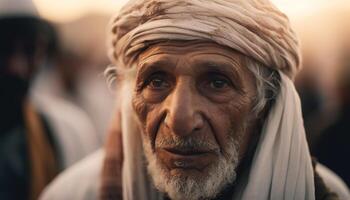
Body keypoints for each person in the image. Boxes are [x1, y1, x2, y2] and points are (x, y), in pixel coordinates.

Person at [40, 0, 350, 200]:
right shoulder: (74, 194)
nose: (180, 119)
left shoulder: (322, 193)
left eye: (217, 82)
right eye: (156, 81)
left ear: (266, 103)